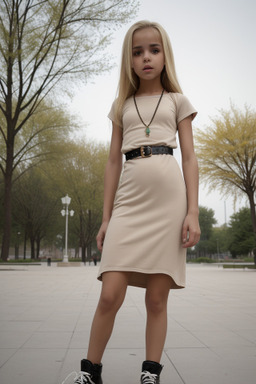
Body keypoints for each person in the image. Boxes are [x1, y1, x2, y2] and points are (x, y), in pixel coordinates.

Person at [62, 20, 200, 384]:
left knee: (157, 298)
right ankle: (89, 373)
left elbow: (189, 158)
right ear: (129, 60)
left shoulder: (178, 101)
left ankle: (150, 373)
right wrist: (106, 219)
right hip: (129, 202)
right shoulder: (121, 105)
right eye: (138, 52)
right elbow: (111, 162)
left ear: (165, 55)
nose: (146, 57)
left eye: (154, 50)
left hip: (169, 204)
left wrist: (192, 212)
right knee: (110, 292)